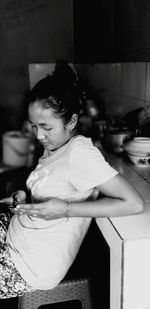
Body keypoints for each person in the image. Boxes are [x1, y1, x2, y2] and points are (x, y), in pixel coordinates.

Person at [0, 61, 144, 299]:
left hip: (28, 265)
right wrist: (24, 196)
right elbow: (53, 184)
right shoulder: (56, 145)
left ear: (72, 122)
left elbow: (133, 203)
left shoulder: (79, 153)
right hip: (16, 234)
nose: (38, 135)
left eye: (45, 127)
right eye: (34, 126)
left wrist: (65, 210)